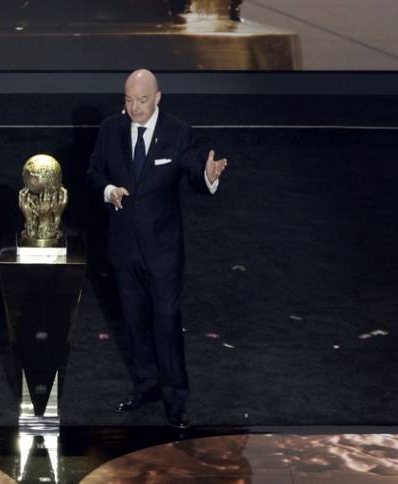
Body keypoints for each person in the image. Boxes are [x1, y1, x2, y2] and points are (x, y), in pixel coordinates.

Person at [87, 69, 227, 428]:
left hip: (163, 252)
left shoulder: (177, 132)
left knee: (166, 321)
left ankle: (175, 396)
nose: (134, 108)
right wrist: (109, 191)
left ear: (158, 97)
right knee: (134, 322)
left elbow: (196, 172)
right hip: (124, 249)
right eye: (128, 100)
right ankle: (146, 384)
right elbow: (95, 172)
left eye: (142, 100)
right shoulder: (111, 129)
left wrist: (209, 176)